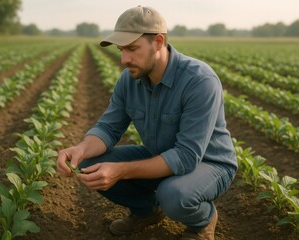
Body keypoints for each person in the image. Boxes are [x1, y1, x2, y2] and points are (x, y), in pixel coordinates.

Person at [57, 5, 237, 240]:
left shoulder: (199, 80)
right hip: (159, 155)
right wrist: (79, 150)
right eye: (121, 49)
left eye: (132, 48)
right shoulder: (130, 80)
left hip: (209, 164)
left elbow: (186, 156)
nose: (124, 59)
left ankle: (203, 220)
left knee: (173, 194)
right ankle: (146, 212)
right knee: (90, 163)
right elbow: (109, 128)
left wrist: (122, 171)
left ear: (159, 42)